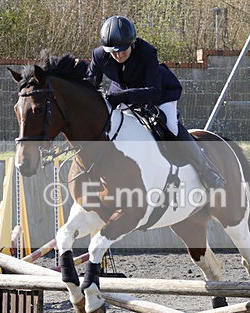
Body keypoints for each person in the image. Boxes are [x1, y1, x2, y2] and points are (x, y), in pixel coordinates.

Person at [86, 15, 225, 189]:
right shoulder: (99, 55)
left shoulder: (146, 53)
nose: (118, 55)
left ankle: (206, 170)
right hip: (121, 94)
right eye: (113, 52)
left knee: (171, 127)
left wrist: (122, 96)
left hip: (159, 94)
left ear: (132, 44)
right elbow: (89, 85)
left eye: (122, 50)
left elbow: (153, 91)